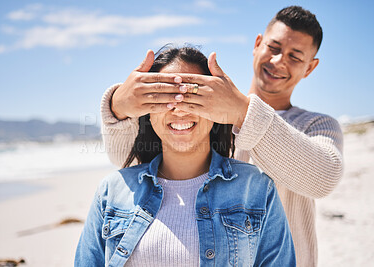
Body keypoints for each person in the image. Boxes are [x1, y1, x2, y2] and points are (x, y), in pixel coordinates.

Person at [100, 6, 343, 267]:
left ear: (310, 68)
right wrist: (118, 106)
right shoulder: (213, 112)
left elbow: (323, 179)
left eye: (295, 56)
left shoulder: (316, 125)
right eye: (273, 47)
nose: (278, 61)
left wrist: (242, 111)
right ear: (257, 44)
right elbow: (126, 160)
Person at [75, 47, 296, 266]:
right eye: (165, 98)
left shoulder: (257, 188)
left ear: (217, 108)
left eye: (193, 95)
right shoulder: (112, 190)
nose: (179, 110)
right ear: (147, 112)